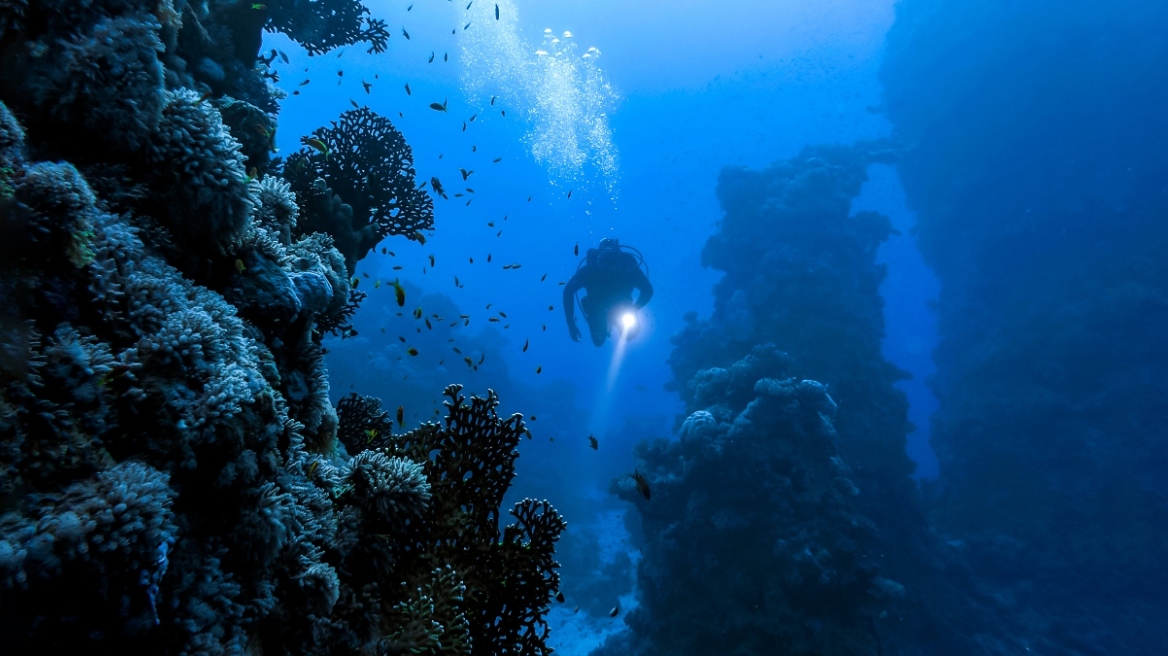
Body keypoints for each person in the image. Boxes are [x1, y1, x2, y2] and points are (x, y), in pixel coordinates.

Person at [563, 238, 653, 346]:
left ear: (619, 260)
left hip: (622, 307)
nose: (609, 268)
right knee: (598, 341)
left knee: (630, 335)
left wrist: (634, 309)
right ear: (598, 261)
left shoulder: (629, 269)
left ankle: (612, 319)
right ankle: (599, 321)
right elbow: (568, 291)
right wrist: (571, 323)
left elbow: (647, 290)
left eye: (612, 261)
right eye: (605, 262)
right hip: (597, 308)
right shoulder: (589, 271)